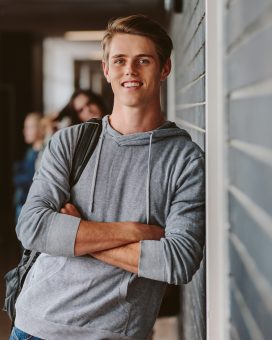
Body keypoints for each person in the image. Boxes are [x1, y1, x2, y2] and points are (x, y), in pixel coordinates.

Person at [11, 14, 205, 340]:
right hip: (34, 325)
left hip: (115, 334)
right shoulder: (71, 142)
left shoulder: (184, 159)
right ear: (106, 69)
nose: (129, 70)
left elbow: (178, 261)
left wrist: (75, 235)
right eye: (119, 60)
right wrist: (133, 232)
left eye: (143, 60)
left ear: (165, 68)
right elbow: (31, 228)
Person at [12, 112, 44, 221]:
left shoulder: (43, 153)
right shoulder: (30, 151)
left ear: (41, 129)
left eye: (30, 127)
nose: (25, 131)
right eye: (25, 127)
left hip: (31, 208)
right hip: (21, 203)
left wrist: (16, 176)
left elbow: (33, 180)